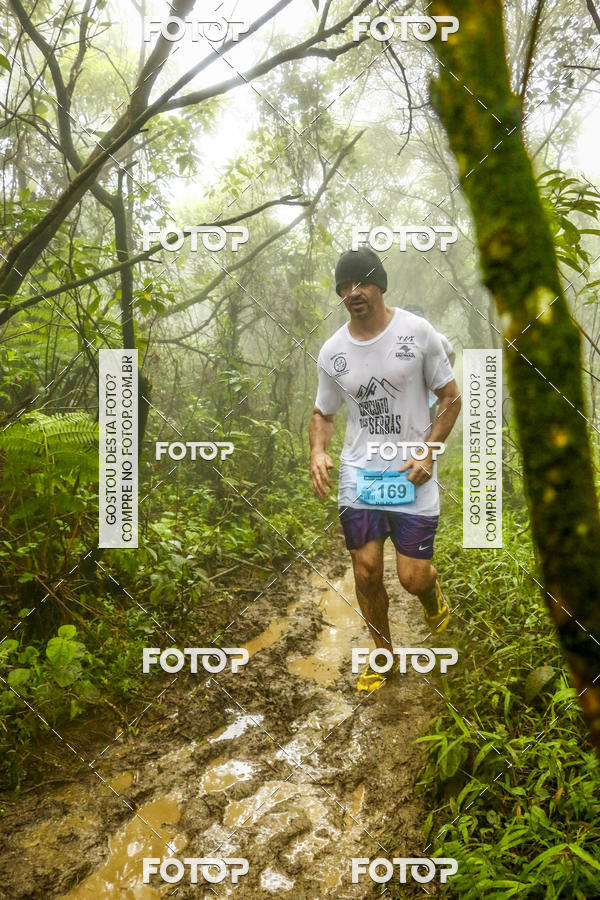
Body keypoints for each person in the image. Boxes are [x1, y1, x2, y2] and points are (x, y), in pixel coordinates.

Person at [309, 248, 461, 693]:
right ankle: (382, 654)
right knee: (367, 569)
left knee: (411, 578)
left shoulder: (417, 333)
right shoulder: (333, 351)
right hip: (361, 476)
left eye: (361, 284)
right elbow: (323, 411)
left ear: (380, 286)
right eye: (344, 287)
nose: (352, 293)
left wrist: (429, 450)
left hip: (411, 473)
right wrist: (318, 451)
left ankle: (432, 594)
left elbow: (450, 397)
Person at [403, 304, 456, 426]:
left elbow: (451, 354)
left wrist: (442, 382)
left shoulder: (437, 339)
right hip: (403, 401)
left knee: (427, 434)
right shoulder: (396, 341)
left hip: (428, 400)